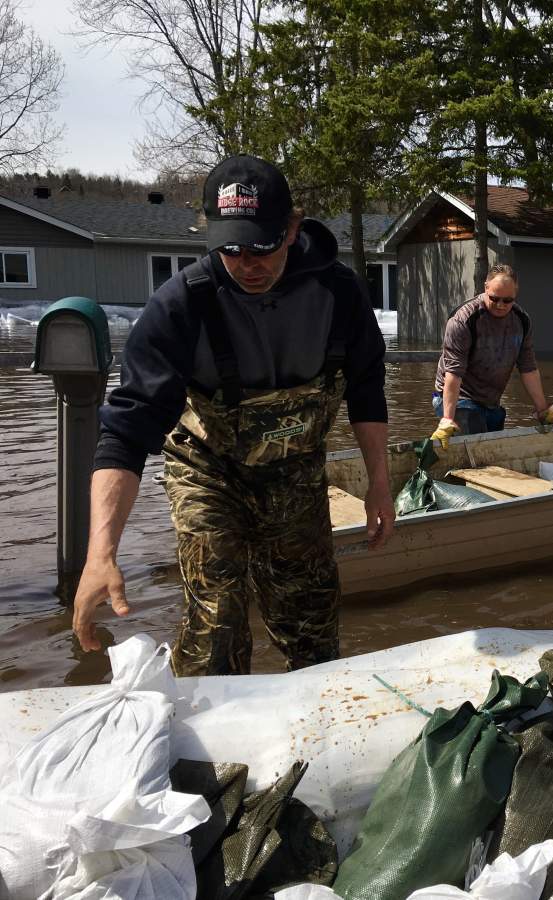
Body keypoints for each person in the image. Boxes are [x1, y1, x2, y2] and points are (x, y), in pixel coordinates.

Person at [72, 154, 394, 675]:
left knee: (310, 624)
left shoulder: (340, 293)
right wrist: (99, 554)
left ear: (292, 228)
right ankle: (209, 745)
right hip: (207, 470)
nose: (248, 263)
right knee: (217, 614)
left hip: (295, 473)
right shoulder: (178, 306)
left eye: (262, 246)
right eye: (231, 248)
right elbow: (125, 433)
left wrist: (379, 483)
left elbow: (366, 389)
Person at [430, 264, 553, 447]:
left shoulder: (521, 321)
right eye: (494, 298)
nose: (500, 305)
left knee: (492, 451)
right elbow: (453, 373)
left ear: (516, 294)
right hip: (458, 398)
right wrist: (447, 419)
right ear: (486, 288)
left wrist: (543, 410)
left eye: (507, 300)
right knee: (476, 449)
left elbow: (528, 368)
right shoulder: (464, 320)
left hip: (491, 401)